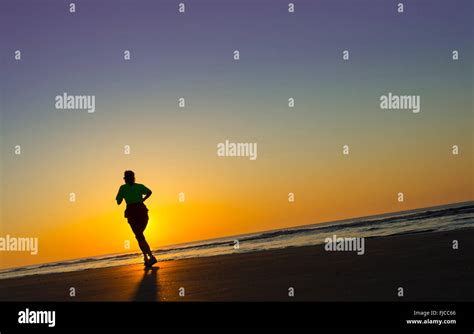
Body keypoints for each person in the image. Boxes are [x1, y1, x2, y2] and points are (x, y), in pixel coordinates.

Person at [116, 170, 157, 267]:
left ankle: (151, 257)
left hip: (132, 212)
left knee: (139, 236)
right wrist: (143, 199)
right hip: (142, 210)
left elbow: (118, 202)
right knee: (139, 235)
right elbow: (149, 192)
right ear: (134, 178)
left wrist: (123, 196)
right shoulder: (139, 186)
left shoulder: (123, 188)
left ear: (125, 179)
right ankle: (146, 258)